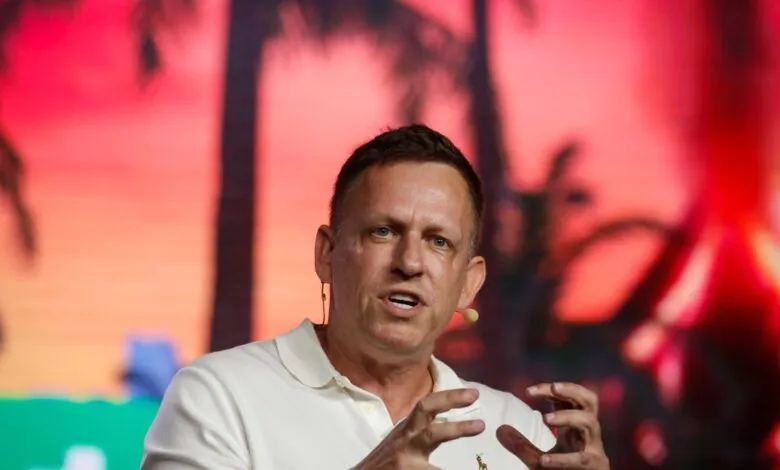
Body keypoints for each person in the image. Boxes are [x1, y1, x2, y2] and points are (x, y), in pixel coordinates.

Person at [141, 124, 610, 469]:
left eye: (438, 241)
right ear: (327, 254)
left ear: (469, 283)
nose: (410, 262)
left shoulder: (516, 430)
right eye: (383, 232)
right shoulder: (218, 396)